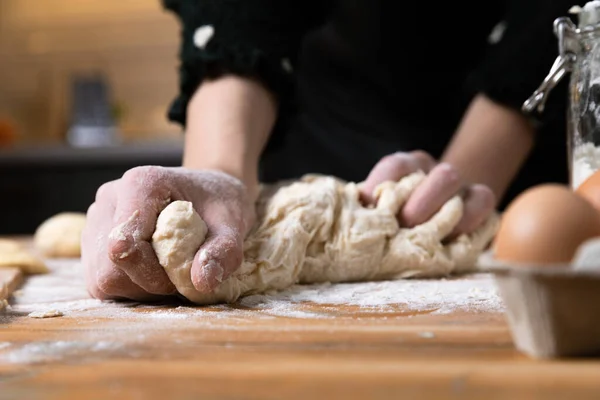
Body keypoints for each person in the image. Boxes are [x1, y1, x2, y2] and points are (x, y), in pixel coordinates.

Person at [82, 0, 581, 301]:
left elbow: (547, 23)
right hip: (307, 129)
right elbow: (238, 14)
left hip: (514, 158)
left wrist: (445, 202)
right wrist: (219, 172)